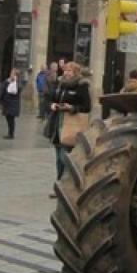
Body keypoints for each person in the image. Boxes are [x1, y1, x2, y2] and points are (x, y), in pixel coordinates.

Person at [47, 61, 92, 194]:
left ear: (76, 73)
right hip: (57, 124)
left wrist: (72, 108)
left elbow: (87, 106)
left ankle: (71, 185)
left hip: (71, 125)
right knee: (58, 159)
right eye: (65, 70)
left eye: (70, 71)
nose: (66, 73)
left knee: (65, 157)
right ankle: (60, 187)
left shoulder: (81, 86)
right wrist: (52, 105)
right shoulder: (60, 83)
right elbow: (51, 97)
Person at [0, 68, 23, 139]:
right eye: (11, 73)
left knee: (11, 119)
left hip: (13, 104)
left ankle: (11, 133)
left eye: (13, 74)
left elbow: (17, 90)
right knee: (8, 118)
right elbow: (3, 90)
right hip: (7, 103)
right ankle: (10, 132)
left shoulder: (18, 83)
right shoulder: (7, 81)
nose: (11, 75)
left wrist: (14, 81)